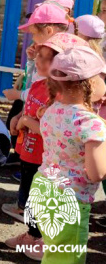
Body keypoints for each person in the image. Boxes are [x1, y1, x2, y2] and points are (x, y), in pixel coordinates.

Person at [2, 33, 86, 260]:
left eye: (44, 58)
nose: (37, 61)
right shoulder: (40, 84)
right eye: (38, 55)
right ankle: (33, 234)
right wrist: (18, 115)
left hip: (45, 157)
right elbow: (29, 104)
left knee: (42, 201)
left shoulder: (62, 96)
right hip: (30, 151)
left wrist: (28, 122)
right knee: (31, 196)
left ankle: (42, 239)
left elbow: (52, 128)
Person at [30, 46, 106, 263]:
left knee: (54, 252)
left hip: (44, 188)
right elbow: (96, 173)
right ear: (90, 83)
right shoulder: (91, 124)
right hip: (69, 200)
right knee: (66, 258)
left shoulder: (51, 110)